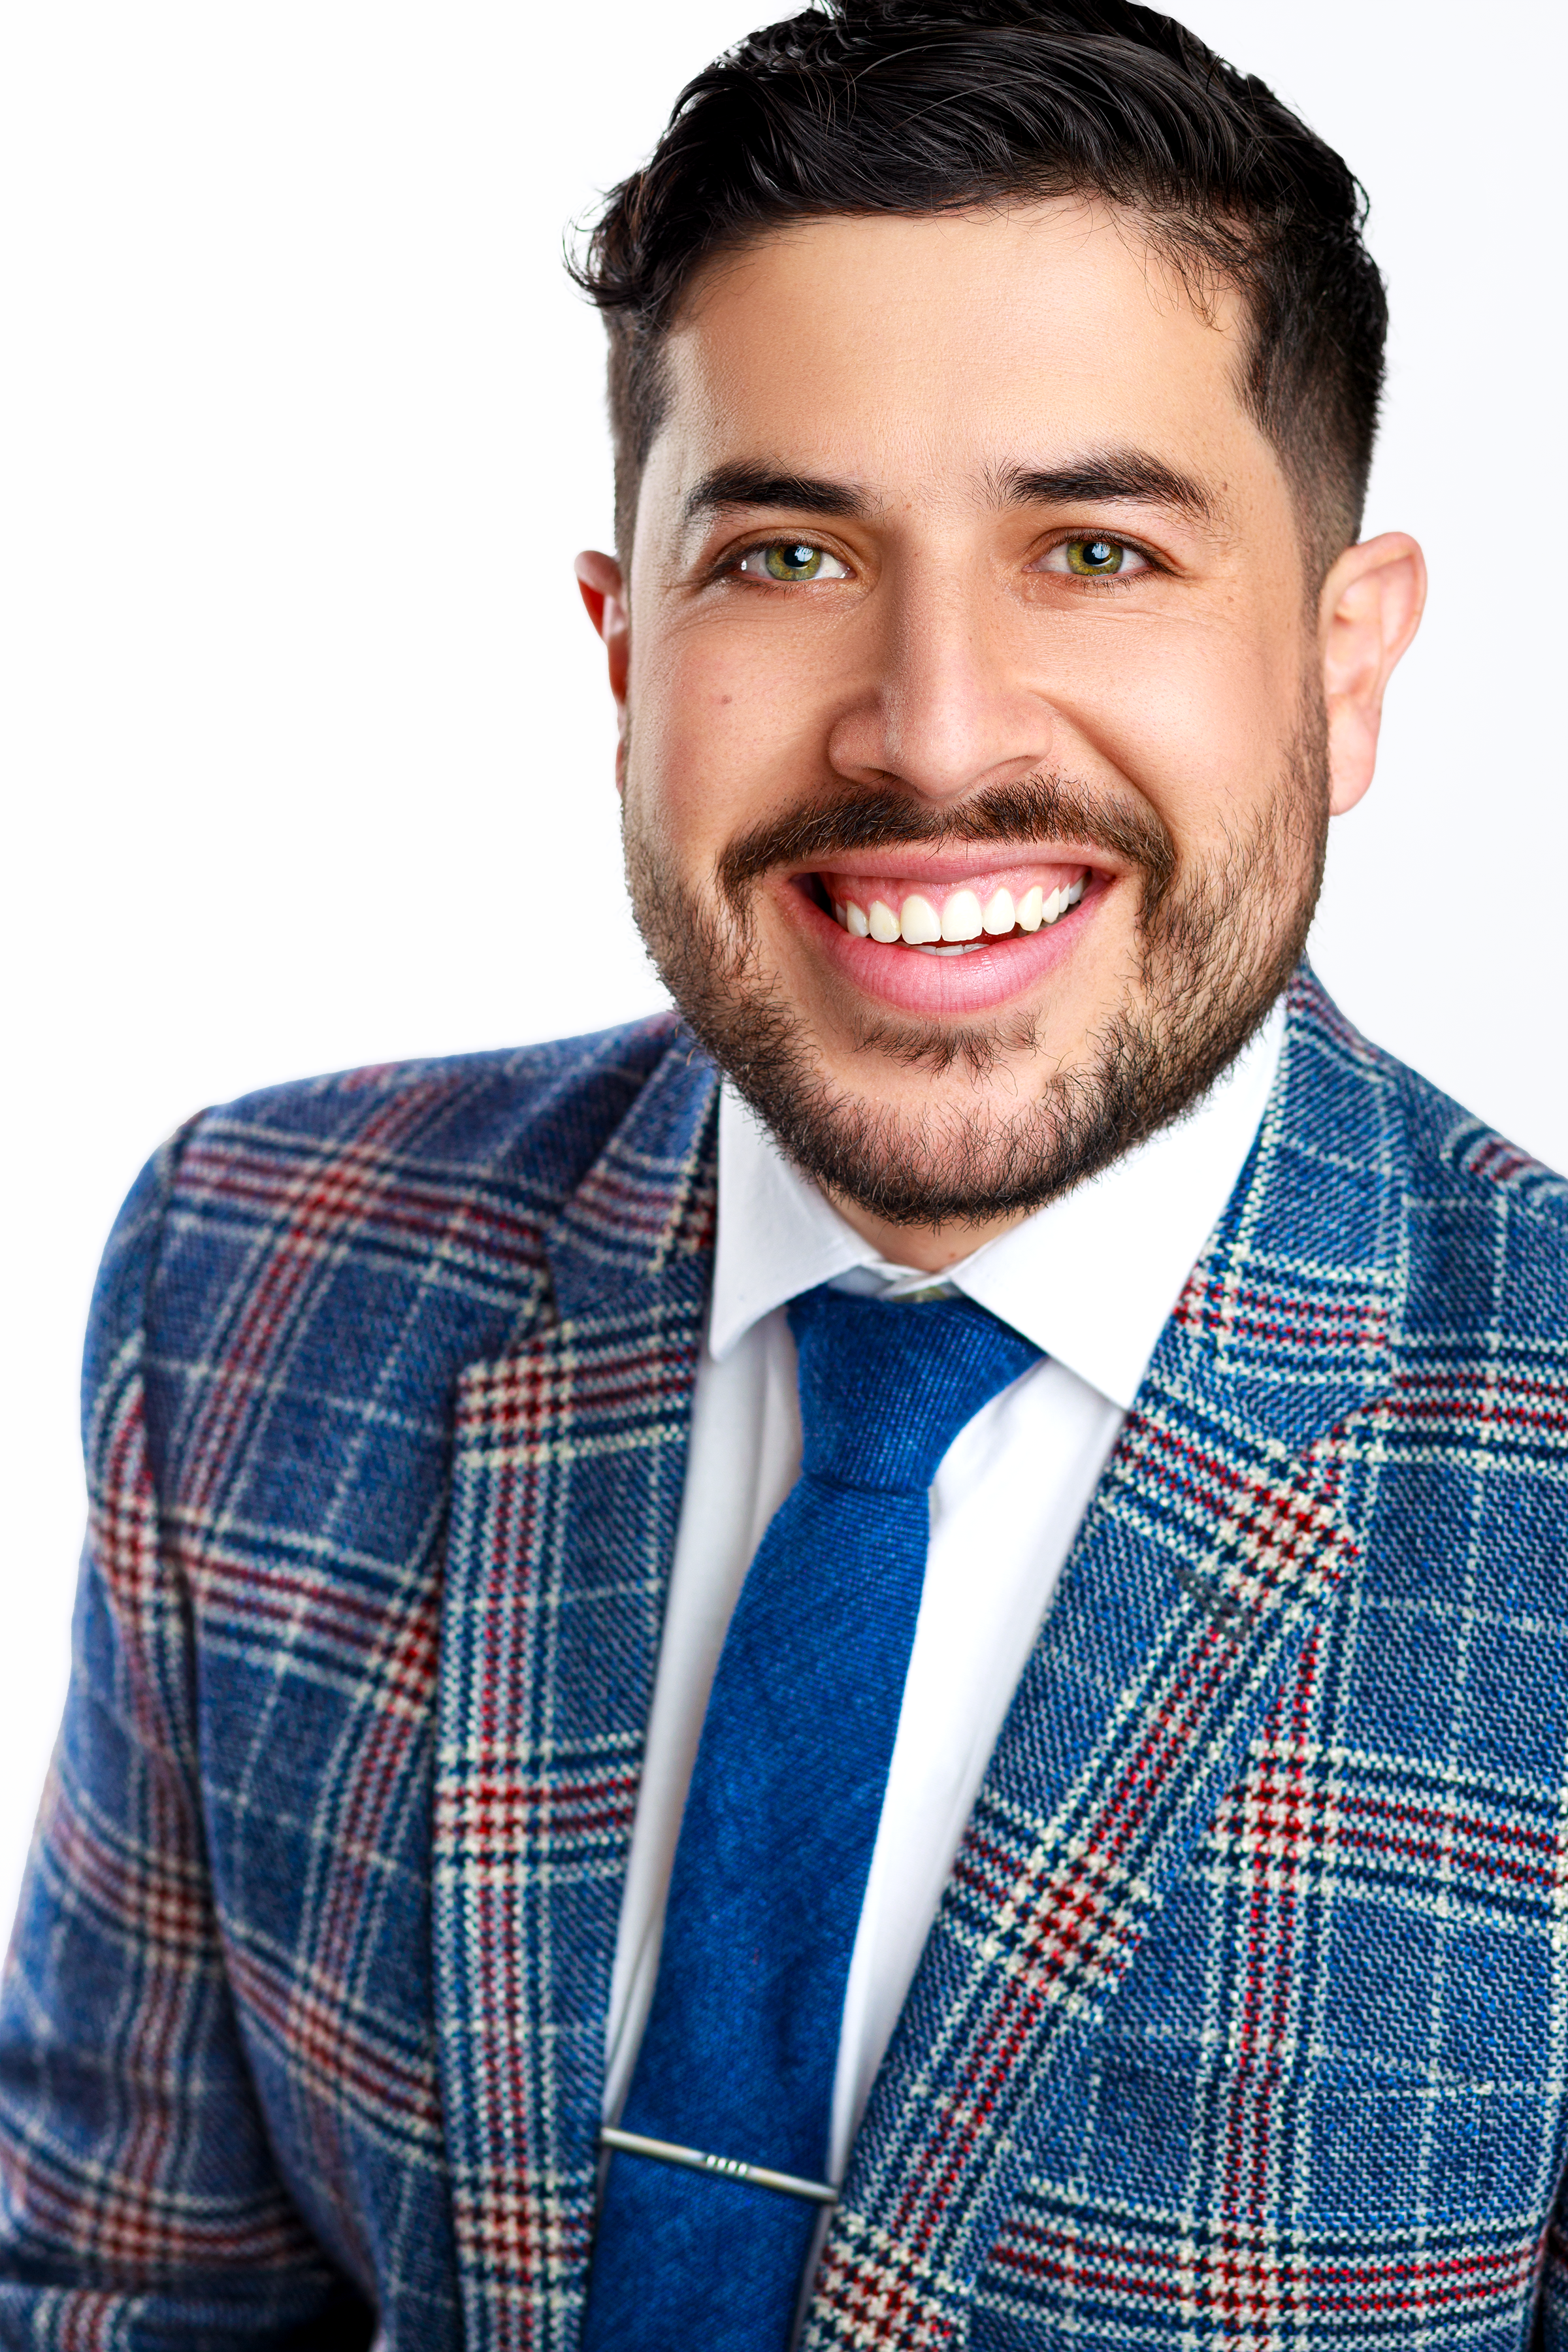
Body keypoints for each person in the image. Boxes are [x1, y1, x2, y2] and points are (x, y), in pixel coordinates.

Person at [4, 1, 1567, 2345]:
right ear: (626, 649)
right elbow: (121, 2296)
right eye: (793, 557)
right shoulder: (257, 1288)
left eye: (1100, 549)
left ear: (1346, 670)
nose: (935, 729)